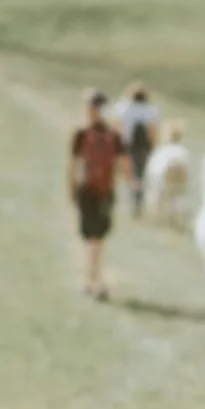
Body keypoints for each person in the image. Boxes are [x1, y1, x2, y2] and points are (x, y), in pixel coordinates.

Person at [68, 89, 135, 301]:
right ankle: (94, 278)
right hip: (104, 190)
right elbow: (124, 164)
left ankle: (92, 279)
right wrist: (131, 183)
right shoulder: (113, 135)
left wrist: (70, 188)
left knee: (93, 238)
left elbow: (73, 164)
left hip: (88, 190)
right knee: (96, 239)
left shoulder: (81, 134)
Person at [112, 81, 161, 219]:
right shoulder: (150, 111)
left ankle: (128, 200)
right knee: (139, 175)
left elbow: (117, 125)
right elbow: (153, 131)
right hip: (142, 149)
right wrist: (152, 147)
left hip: (125, 147)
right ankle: (137, 203)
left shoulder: (124, 108)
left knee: (126, 174)